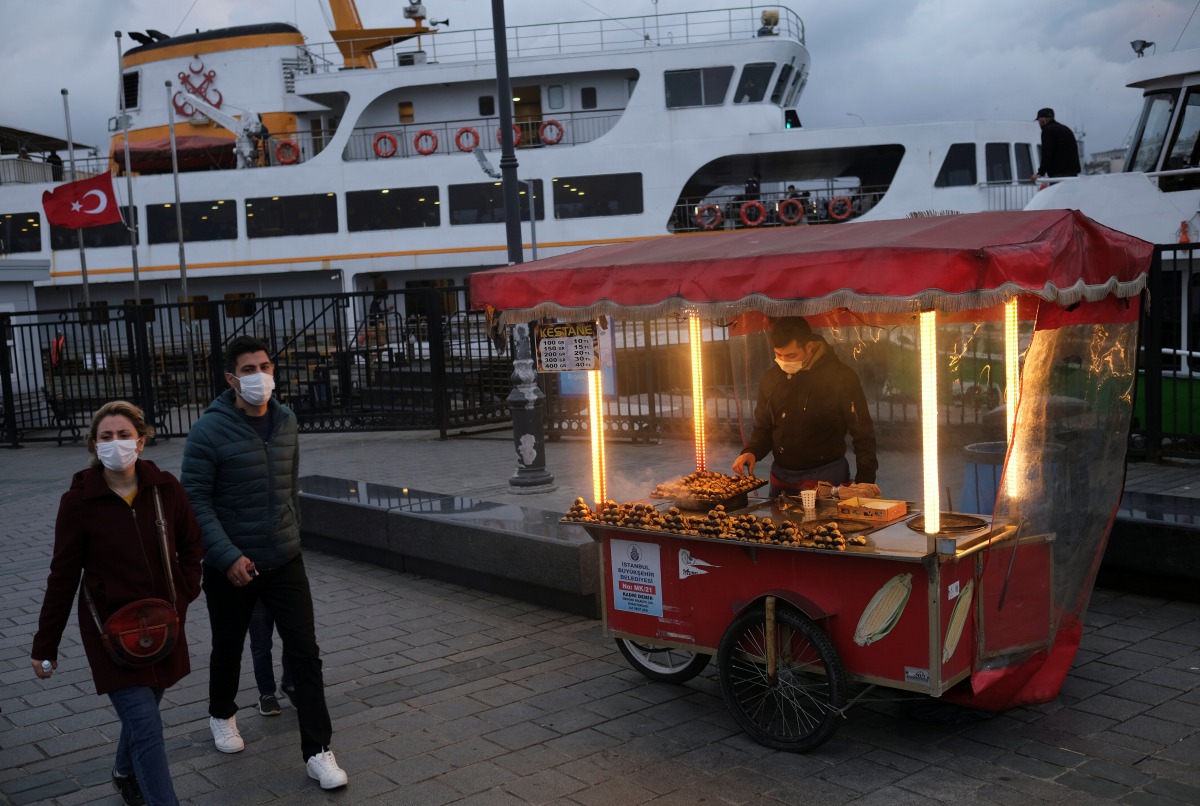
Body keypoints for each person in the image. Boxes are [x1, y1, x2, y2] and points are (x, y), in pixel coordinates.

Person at [181, 335, 348, 790]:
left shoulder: (287, 420)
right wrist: (226, 555)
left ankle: (318, 751)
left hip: (284, 559)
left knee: (305, 653)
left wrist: (292, 535)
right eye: (249, 369)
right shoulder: (209, 430)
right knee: (229, 645)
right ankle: (221, 713)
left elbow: (289, 488)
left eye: (266, 366)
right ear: (231, 378)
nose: (261, 376)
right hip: (231, 564)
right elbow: (195, 500)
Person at [31, 401, 203, 806]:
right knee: (145, 723)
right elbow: (62, 575)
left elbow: (191, 545)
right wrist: (44, 646)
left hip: (161, 627)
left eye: (124, 435)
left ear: (141, 441)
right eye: (106, 437)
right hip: (111, 633)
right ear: (93, 444)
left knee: (144, 714)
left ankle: (124, 771)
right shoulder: (78, 503)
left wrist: (185, 591)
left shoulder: (165, 489)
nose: (116, 443)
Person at [733, 317, 878, 495]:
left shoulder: (841, 378)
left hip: (827, 477)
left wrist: (865, 481)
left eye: (791, 356)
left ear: (809, 346)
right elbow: (764, 426)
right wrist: (751, 451)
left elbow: (863, 433)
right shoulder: (771, 379)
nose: (784, 361)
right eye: (778, 355)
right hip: (781, 479)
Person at [248, 599, 294, 715]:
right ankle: (267, 694)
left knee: (295, 638)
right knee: (261, 645)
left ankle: (290, 684)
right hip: (256, 589)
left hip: (283, 585)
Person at [1032, 107, 1081, 181]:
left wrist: (1040, 173)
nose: (1039, 123)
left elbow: (1047, 153)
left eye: (1038, 120)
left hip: (1058, 174)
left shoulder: (1047, 130)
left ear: (1042, 120)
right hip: (1073, 174)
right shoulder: (1066, 129)